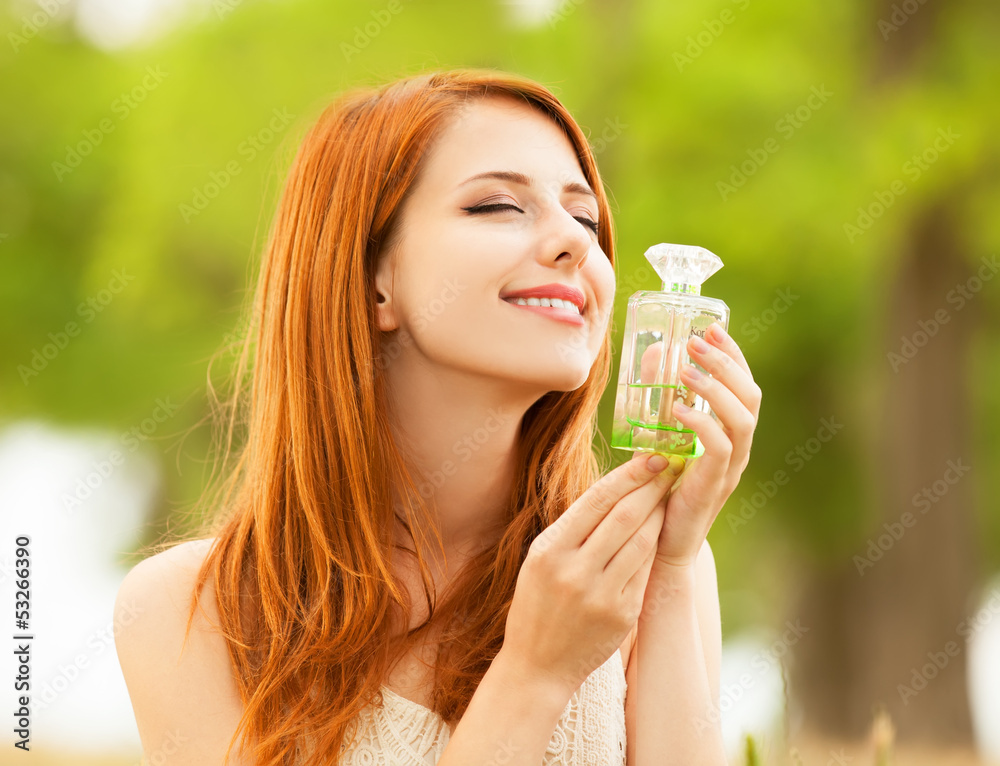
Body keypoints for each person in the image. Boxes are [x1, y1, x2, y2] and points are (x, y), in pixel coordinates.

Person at [113, 68, 760, 766]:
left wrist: (669, 561)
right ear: (372, 279)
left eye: (585, 218)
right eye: (496, 205)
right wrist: (534, 674)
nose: (575, 244)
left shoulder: (652, 569)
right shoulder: (190, 612)